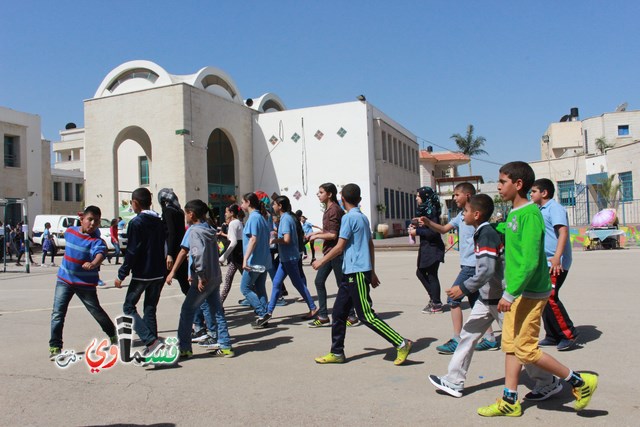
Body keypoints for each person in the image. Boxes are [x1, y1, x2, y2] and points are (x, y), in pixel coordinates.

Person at [477, 161, 598, 417]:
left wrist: (510, 293)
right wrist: (489, 227)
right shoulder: (514, 213)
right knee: (510, 344)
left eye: (502, 182)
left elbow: (531, 260)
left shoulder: (531, 214)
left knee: (526, 349)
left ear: (518, 184)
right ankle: (510, 400)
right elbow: (511, 233)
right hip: (518, 290)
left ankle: (579, 381)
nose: (498, 186)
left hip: (530, 293)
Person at [312, 183, 413, 365]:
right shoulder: (363, 218)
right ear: (359, 200)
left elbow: (339, 246)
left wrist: (321, 261)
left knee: (366, 315)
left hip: (356, 273)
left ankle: (401, 343)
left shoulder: (349, 219)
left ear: (342, 199)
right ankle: (336, 352)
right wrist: (372, 271)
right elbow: (370, 244)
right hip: (351, 273)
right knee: (339, 313)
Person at [428, 194, 504, 397]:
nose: (463, 215)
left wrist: (464, 288)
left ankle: (548, 380)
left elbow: (487, 270)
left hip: (499, 300)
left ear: (476, 214)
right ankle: (454, 381)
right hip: (486, 298)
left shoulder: (486, 234)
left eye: (466, 211)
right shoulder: (482, 232)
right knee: (467, 336)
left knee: (519, 347)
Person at [421, 183, 498, 354]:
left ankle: (457, 338)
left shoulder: (475, 218)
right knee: (477, 302)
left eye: (457, 195)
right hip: (467, 264)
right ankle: (491, 338)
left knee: (453, 300)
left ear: (468, 195)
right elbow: (443, 229)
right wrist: (428, 222)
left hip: (472, 266)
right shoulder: (461, 216)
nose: (454, 198)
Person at [166, 199, 234, 359]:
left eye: (185, 213)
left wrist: (200, 276)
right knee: (217, 312)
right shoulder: (209, 229)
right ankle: (225, 346)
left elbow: (196, 253)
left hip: (202, 279)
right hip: (215, 277)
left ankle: (184, 348)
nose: (185, 217)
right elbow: (187, 251)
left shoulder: (194, 231)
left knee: (187, 310)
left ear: (191, 214)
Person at [49, 205, 116, 360]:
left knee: (95, 311)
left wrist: (93, 263)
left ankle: (112, 334)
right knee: (57, 313)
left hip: (85, 284)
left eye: (96, 221)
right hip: (64, 280)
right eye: (90, 219)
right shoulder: (70, 232)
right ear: (82, 220)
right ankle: (55, 346)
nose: (92, 223)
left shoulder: (96, 241)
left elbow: (100, 254)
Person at [115, 187, 167, 357]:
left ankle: (150, 341)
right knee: (150, 308)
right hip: (159, 272)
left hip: (142, 274)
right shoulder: (159, 222)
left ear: (135, 203)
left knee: (128, 307)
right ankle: (154, 348)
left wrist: (122, 274)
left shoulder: (136, 223)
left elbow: (132, 251)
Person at [530, 179, 578, 352]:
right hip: (544, 262)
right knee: (542, 297)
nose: (531, 194)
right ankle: (552, 334)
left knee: (550, 296)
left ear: (544, 193)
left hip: (556, 262)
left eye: (534, 191)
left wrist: (557, 257)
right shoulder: (537, 210)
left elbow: (563, 232)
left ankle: (568, 334)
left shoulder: (554, 208)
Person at [308, 183, 358, 328]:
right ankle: (323, 315)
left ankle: (352, 315)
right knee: (319, 281)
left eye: (321, 192)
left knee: (342, 285)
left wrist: (317, 237)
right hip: (329, 253)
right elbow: (328, 230)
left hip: (336, 253)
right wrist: (316, 233)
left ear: (329, 194)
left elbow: (333, 234)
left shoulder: (334, 210)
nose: (318, 194)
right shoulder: (329, 209)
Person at [264, 196, 317, 322]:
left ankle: (313, 307)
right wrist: (277, 235)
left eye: (274, 204)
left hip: (290, 258)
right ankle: (269, 312)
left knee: (297, 283)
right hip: (285, 258)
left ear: (280, 206)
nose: (273, 206)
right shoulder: (285, 218)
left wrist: (274, 240)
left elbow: (287, 240)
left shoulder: (286, 219)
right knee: (277, 283)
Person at [409, 187, 445, 313]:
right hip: (427, 248)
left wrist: (417, 231)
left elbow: (434, 232)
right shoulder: (425, 210)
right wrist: (416, 225)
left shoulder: (432, 211)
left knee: (431, 275)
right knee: (421, 273)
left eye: (418, 196)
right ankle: (434, 300)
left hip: (433, 248)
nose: (416, 198)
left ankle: (436, 303)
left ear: (425, 197)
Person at [239, 192, 273, 328]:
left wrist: (245, 259)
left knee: (245, 288)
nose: (241, 205)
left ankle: (262, 312)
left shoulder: (253, 218)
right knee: (260, 288)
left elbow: (253, 239)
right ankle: (264, 316)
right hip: (264, 260)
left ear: (248, 202)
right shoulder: (262, 218)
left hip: (254, 261)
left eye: (242, 202)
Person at [158, 188, 189, 296]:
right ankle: (202, 308)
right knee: (185, 285)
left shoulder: (168, 211)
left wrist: (170, 254)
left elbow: (171, 232)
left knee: (158, 285)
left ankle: (150, 311)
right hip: (180, 250)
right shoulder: (179, 212)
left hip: (171, 252)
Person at [219, 204, 245, 304]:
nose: (225, 214)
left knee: (247, 284)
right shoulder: (238, 222)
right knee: (228, 279)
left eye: (227, 212)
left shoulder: (233, 223)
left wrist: (223, 257)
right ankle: (220, 303)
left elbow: (233, 242)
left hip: (237, 256)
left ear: (232, 213)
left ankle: (259, 303)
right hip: (237, 256)